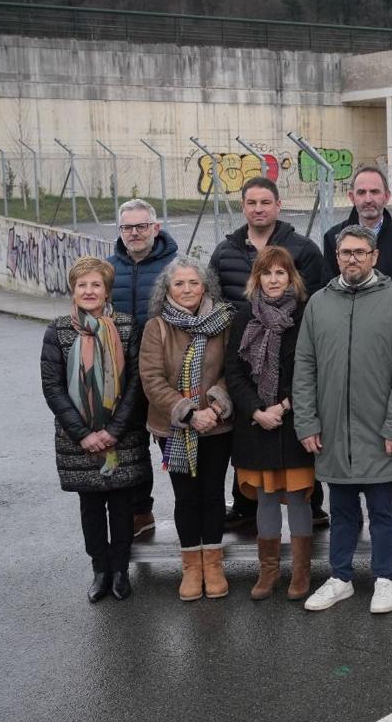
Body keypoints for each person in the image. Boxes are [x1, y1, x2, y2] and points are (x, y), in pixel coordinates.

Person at [294, 225, 392, 614]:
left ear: (374, 256)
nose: (353, 258)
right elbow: (305, 366)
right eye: (346, 252)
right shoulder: (318, 303)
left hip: (380, 429)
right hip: (333, 430)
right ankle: (341, 578)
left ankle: (385, 578)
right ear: (337, 256)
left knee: (383, 510)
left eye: (360, 252)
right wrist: (307, 422)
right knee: (343, 509)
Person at [211, 176, 327, 531]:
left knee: (297, 452)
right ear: (243, 206)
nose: (258, 208)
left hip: (291, 350)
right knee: (248, 439)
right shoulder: (225, 251)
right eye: (251, 202)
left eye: (265, 202)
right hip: (245, 350)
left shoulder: (302, 248)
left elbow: (317, 302)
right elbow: (215, 302)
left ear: (278, 205)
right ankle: (245, 505)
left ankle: (313, 506)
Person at [40, 256, 151, 602]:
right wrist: (84, 433)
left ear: (106, 291)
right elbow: (52, 386)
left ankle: (120, 571)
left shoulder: (128, 327)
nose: (89, 291)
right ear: (73, 291)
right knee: (90, 507)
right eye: (82, 285)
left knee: (121, 505)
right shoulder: (58, 330)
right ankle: (99, 570)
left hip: (121, 435)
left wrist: (114, 430)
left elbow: (136, 383)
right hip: (78, 438)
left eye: (96, 285)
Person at [321, 165, 392, 533]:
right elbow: (327, 289)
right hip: (346, 343)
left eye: (374, 192)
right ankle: (348, 501)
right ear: (351, 198)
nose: (368, 199)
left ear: (387, 197)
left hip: (385, 343)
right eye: (361, 192)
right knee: (348, 424)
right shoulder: (333, 236)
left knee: (390, 425)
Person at [139, 257, 235, 601]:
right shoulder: (157, 327)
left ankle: (213, 563)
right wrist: (190, 413)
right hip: (174, 428)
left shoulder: (223, 322)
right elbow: (151, 379)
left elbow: (232, 368)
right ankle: (191, 566)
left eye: (193, 283)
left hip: (217, 425)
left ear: (205, 286)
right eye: (178, 284)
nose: (187, 289)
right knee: (187, 497)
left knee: (212, 495)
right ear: (167, 290)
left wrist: (215, 406)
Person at [224, 246, 315, 601]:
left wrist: (285, 405)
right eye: (267, 273)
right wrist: (258, 410)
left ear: (291, 277)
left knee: (297, 499)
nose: (274, 280)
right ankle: (268, 571)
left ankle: (301, 574)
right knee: (264, 498)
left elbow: (311, 367)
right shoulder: (244, 316)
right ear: (256, 279)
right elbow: (233, 371)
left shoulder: (306, 315)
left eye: (280, 273)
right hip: (256, 424)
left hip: (294, 422)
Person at [107, 198, 179, 539]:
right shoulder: (107, 269)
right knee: (131, 449)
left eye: (140, 226)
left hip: (166, 375)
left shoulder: (176, 267)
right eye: (127, 227)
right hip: (122, 378)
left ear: (156, 228)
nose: (134, 233)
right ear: (120, 231)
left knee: (174, 446)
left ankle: (189, 511)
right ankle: (140, 512)